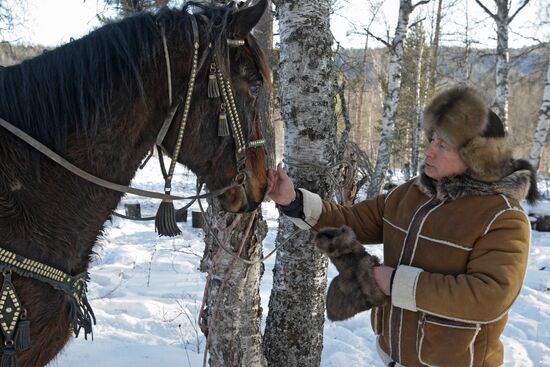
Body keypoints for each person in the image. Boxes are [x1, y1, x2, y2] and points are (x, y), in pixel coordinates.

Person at [267, 84, 539, 367]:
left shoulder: (504, 218)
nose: (429, 152)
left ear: (476, 159)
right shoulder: (411, 193)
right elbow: (354, 221)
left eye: (443, 145)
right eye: (432, 139)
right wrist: (293, 200)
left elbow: (490, 296)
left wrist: (396, 282)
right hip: (392, 356)